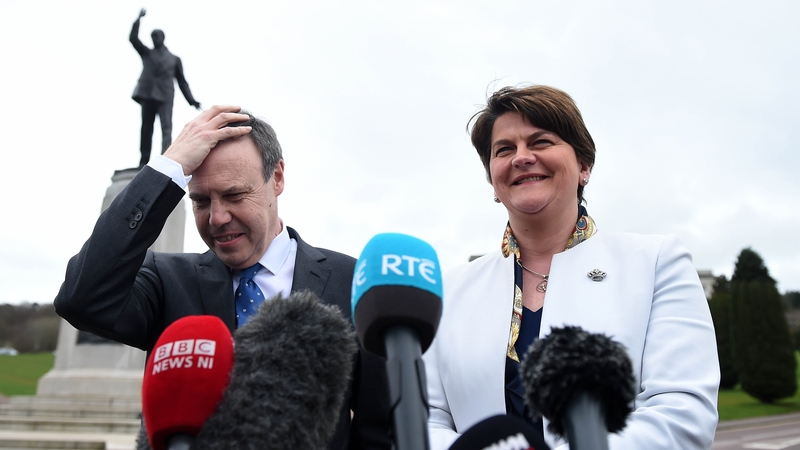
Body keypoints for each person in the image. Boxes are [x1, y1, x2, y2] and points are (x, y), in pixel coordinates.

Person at [54, 106, 390, 450]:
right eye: (200, 201)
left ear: (276, 178)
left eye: (234, 195)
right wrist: (168, 167)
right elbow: (82, 298)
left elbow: (379, 431)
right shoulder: (166, 282)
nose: (217, 218)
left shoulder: (352, 282)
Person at [423, 86, 720, 449]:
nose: (522, 157)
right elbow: (427, 418)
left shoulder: (657, 263)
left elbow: (682, 412)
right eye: (504, 149)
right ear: (493, 181)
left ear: (584, 166)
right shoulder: (450, 289)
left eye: (542, 142)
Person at [130, 8, 202, 168]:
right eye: (152, 36)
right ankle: (144, 160)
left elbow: (182, 81)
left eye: (156, 36)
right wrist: (138, 20)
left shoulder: (174, 59)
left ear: (162, 38)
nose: (154, 38)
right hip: (148, 94)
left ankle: (165, 159)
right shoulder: (147, 53)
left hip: (165, 96)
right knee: (146, 128)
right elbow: (133, 39)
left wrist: (191, 100)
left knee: (166, 128)